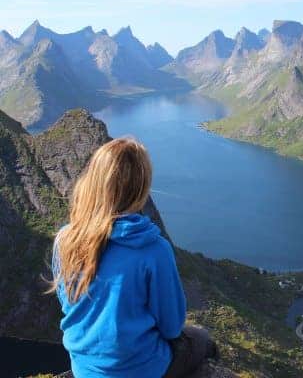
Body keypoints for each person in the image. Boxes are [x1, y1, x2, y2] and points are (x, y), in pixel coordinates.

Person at [48, 138, 218, 378]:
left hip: (84, 368)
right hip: (139, 369)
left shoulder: (66, 239)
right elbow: (171, 327)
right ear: (141, 188)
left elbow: (70, 305)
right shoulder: (153, 249)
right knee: (201, 339)